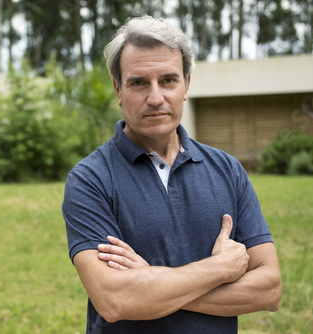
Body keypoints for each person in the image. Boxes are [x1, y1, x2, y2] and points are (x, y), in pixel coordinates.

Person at [62, 16, 281, 333]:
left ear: (186, 85)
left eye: (168, 80)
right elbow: (115, 300)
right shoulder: (89, 179)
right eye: (138, 83)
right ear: (118, 89)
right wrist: (219, 268)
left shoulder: (228, 169)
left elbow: (269, 289)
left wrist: (149, 280)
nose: (155, 98)